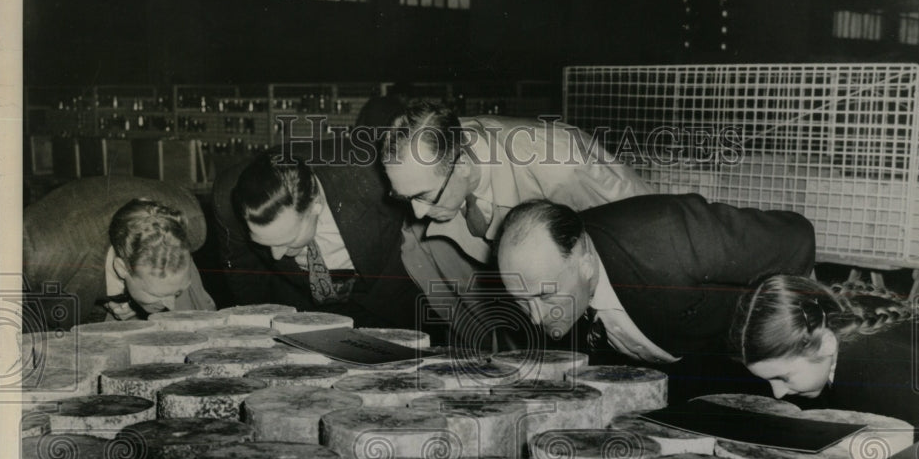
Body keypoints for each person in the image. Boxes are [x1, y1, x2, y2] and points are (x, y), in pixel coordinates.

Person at [380, 100, 653, 342]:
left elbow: (646, 228)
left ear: (462, 165)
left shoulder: (562, 165)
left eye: (425, 196)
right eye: (406, 198)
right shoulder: (435, 150)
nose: (416, 214)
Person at [496, 196, 816, 400]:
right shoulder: (558, 274)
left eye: (543, 296)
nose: (535, 317)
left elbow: (795, 237)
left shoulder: (671, 238)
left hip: (740, 361)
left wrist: (797, 339)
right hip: (673, 366)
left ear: (586, 264)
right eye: (522, 301)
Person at [212, 140, 426, 331]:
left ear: (316, 205)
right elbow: (246, 275)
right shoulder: (228, 200)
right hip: (302, 306)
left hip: (388, 300)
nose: (276, 256)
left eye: (288, 241)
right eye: (264, 243)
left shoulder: (376, 178)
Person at [731, 274, 919, 436]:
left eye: (783, 377)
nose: (778, 394)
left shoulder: (880, 374)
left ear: (825, 344)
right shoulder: (844, 322)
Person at [103, 199, 216, 320]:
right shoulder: (85, 268)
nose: (172, 307)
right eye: (155, 294)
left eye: (178, 292)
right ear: (122, 268)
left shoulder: (192, 231)